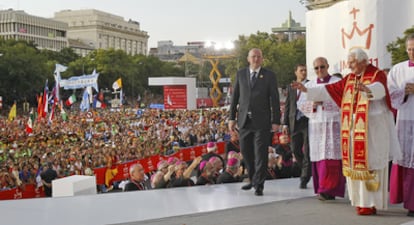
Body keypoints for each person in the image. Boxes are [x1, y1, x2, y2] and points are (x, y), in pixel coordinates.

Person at [292, 48, 401, 215]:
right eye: (349, 62)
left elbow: (380, 88)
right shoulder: (350, 79)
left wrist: (368, 89)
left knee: (372, 164)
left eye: (352, 62)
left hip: (373, 129)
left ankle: (371, 202)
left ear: (363, 61)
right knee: (356, 164)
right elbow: (329, 90)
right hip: (355, 129)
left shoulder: (376, 74)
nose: (349, 66)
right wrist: (306, 90)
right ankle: (360, 201)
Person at [228, 48, 281, 196]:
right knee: (246, 152)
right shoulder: (240, 74)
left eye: (258, 57)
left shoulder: (269, 75)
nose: (256, 59)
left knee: (261, 153)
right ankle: (252, 177)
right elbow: (235, 98)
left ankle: (259, 184)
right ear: (248, 58)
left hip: (262, 122)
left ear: (262, 59)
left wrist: (276, 120)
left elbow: (275, 100)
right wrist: (232, 118)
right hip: (244, 121)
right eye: (253, 57)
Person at [297, 57, 346, 201]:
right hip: (317, 125)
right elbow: (300, 104)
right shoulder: (310, 84)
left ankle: (330, 189)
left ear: (328, 66)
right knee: (320, 158)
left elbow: (342, 100)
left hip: (333, 124)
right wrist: (313, 103)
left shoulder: (336, 82)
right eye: (316, 68)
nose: (319, 70)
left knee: (332, 159)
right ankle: (322, 189)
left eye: (322, 67)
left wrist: (325, 100)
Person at [388, 33, 414, 217]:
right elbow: (390, 93)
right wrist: (403, 92)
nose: (412, 52)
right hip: (405, 119)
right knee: (405, 158)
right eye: (410, 49)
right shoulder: (398, 69)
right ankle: (410, 202)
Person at [282, 64, 311, 189]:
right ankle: (305, 169)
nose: (304, 72)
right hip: (295, 121)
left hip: (307, 120)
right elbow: (288, 105)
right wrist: (285, 123)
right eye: (301, 70)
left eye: (305, 70)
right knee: (295, 149)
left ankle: (304, 177)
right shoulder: (291, 87)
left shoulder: (311, 84)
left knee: (308, 151)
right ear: (296, 72)